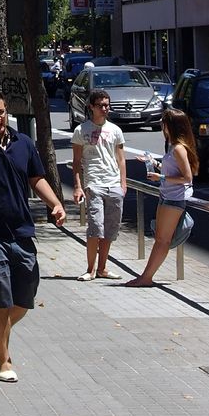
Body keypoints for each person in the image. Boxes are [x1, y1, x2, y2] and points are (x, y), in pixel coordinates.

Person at [0, 85, 66, 383]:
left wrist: (55, 203)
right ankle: (4, 360)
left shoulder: (23, 144)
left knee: (25, 296)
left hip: (21, 233)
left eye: (1, 112)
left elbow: (36, 178)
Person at [125, 107, 198, 288]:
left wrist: (162, 178)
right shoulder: (173, 146)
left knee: (162, 240)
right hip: (167, 196)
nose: (161, 126)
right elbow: (172, 169)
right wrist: (154, 164)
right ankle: (146, 276)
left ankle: (146, 277)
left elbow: (187, 177)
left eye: (163, 123)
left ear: (169, 126)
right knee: (160, 237)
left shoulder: (179, 148)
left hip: (174, 198)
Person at [70, 89, 127, 280]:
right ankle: (90, 269)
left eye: (106, 105)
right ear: (91, 107)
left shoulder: (115, 130)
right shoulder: (81, 130)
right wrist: (78, 186)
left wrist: (123, 184)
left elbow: (121, 160)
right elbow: (77, 162)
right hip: (94, 183)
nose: (104, 108)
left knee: (110, 228)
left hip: (114, 184)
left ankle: (103, 268)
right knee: (95, 227)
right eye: (100, 105)